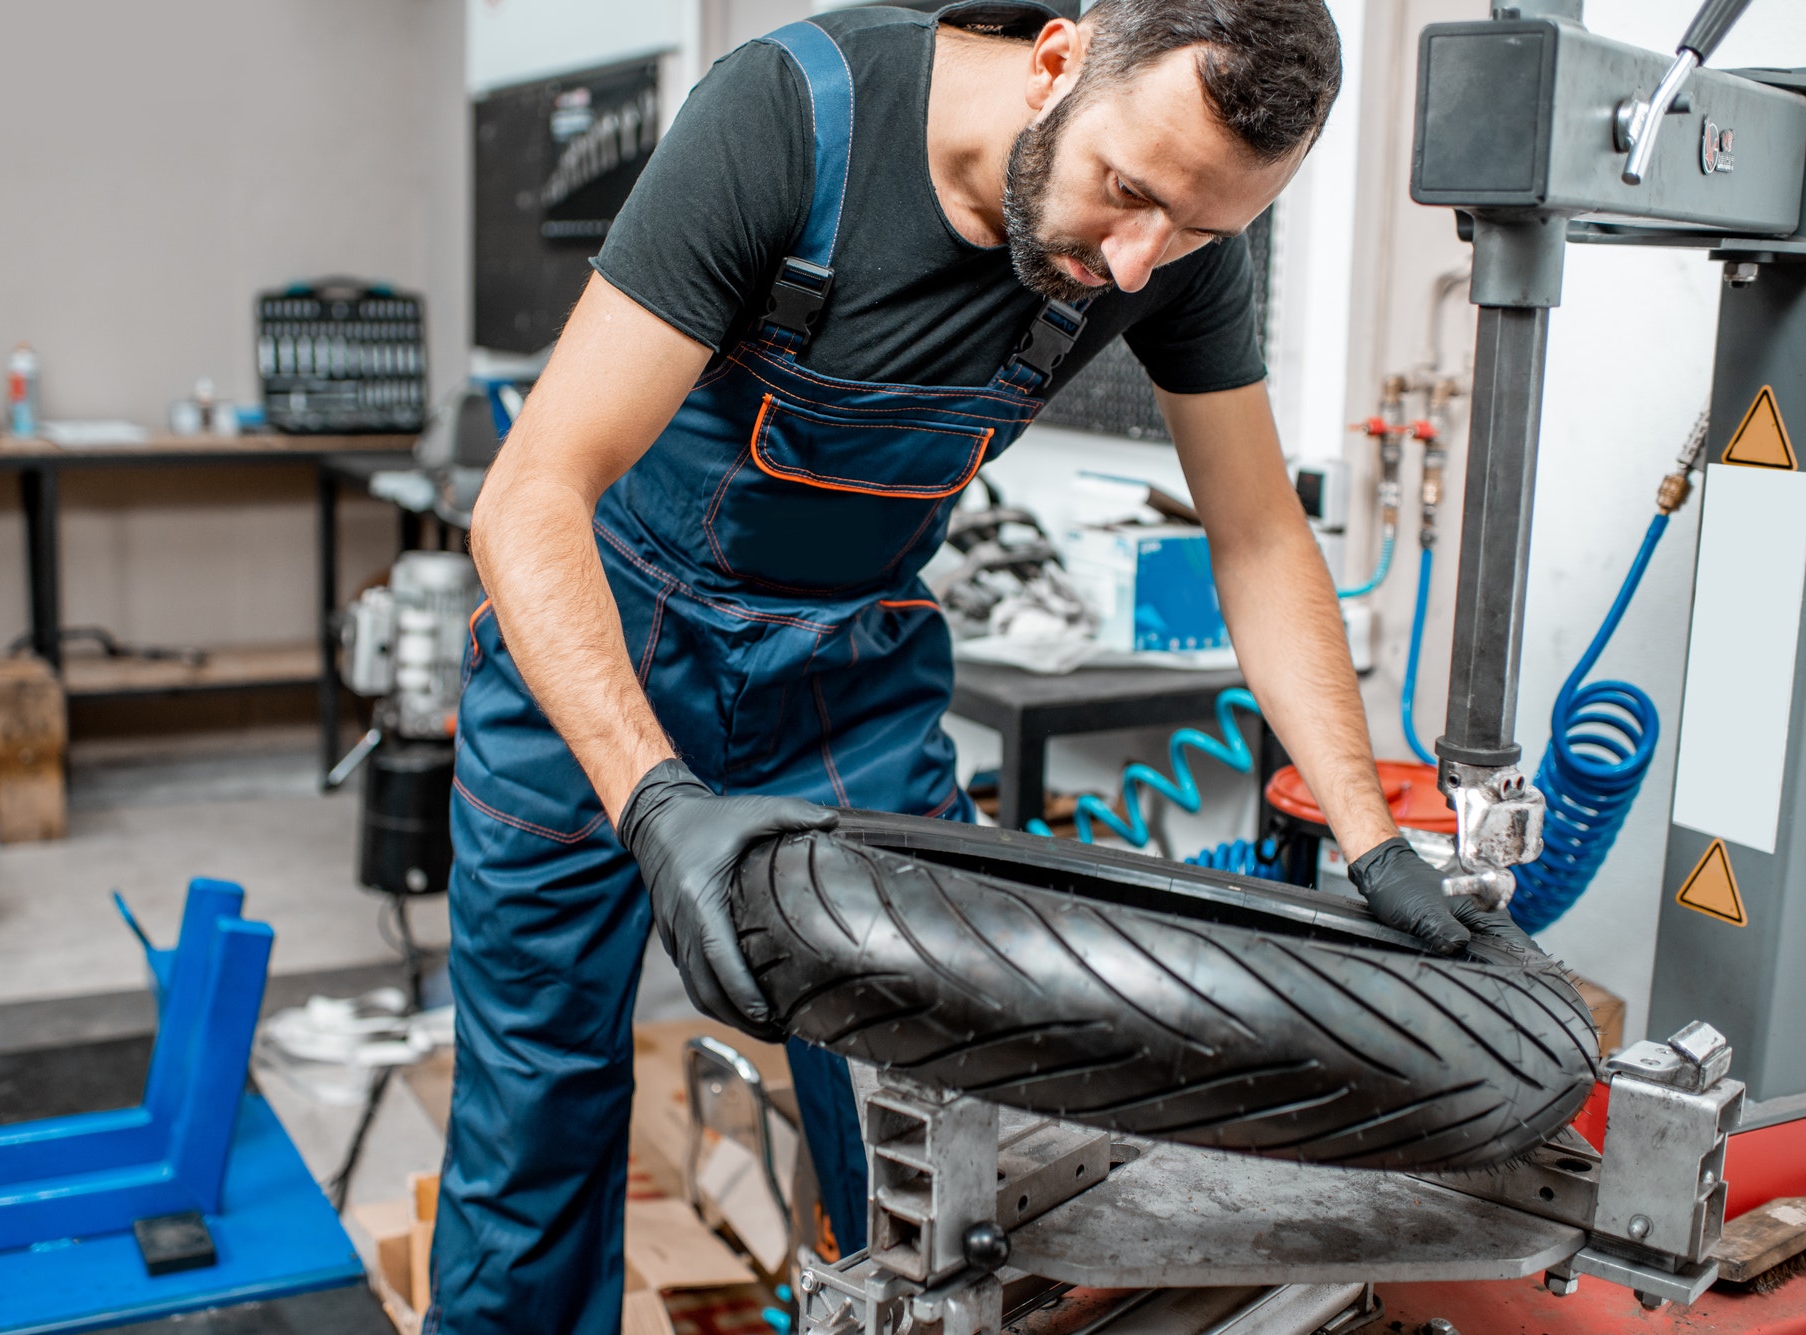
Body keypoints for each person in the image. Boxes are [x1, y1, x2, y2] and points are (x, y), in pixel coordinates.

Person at [433, 2, 1538, 1330]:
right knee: (536, 1130)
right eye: (1127, 192)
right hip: (599, 661)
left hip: (847, 686)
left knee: (944, 1142)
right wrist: (653, 794)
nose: (1141, 265)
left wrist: (1374, 847)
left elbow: (1254, 538)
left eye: (1196, 231)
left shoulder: (1167, 237)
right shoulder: (791, 121)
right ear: (1058, 62)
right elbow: (532, 494)